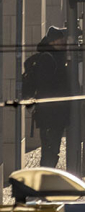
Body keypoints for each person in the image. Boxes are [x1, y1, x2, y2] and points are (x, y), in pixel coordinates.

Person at [23, 27, 70, 167]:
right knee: (50, 150)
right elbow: (45, 86)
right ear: (51, 41)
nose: (62, 42)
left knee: (52, 150)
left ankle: (46, 179)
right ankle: (45, 181)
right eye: (59, 39)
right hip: (50, 114)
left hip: (55, 112)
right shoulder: (48, 58)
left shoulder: (58, 56)